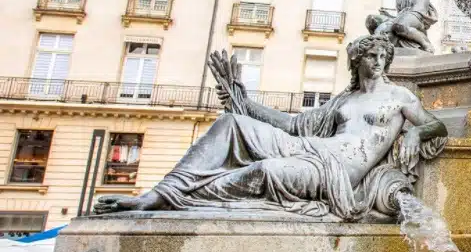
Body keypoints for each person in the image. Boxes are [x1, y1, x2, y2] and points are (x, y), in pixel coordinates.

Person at [93, 35, 447, 221]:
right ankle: (157, 194)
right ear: (357, 62)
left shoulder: (399, 96)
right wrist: (245, 102)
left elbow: (436, 125)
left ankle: (178, 200)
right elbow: (294, 124)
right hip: (310, 148)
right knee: (232, 122)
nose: (379, 61)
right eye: (371, 56)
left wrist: (415, 132)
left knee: (266, 170)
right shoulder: (344, 101)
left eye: (383, 56)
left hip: (334, 172)